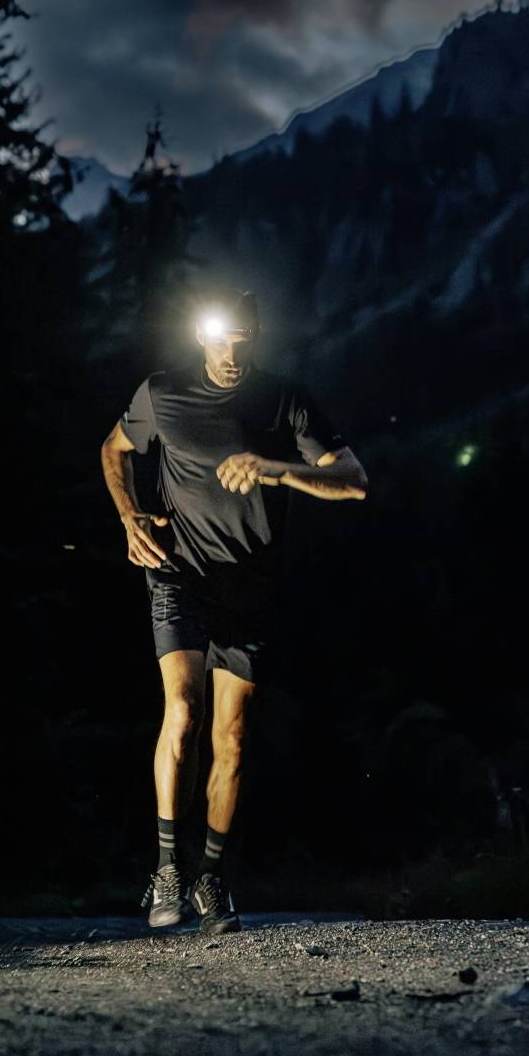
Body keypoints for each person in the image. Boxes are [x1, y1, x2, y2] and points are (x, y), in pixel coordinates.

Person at [100, 290, 368, 935]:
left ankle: (212, 878)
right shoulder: (161, 393)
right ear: (199, 336)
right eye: (220, 340)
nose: (230, 355)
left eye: (242, 341)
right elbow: (114, 449)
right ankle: (169, 866)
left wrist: (276, 469)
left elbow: (354, 481)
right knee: (183, 708)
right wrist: (130, 517)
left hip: (251, 588)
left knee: (234, 736)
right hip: (180, 573)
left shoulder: (286, 401)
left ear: (257, 336)